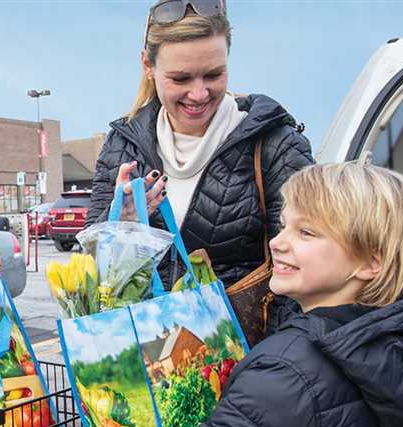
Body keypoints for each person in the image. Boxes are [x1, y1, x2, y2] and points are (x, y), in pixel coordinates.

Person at [80, 158, 403, 427]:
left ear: (371, 262)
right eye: (285, 224)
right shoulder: (389, 340)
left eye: (305, 232)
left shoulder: (290, 370)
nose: (277, 241)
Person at [85, 0, 314, 295]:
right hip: (144, 339)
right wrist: (120, 224)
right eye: (180, 78)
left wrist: (279, 343)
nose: (199, 94)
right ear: (147, 66)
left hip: (247, 338)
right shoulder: (122, 143)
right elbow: (88, 270)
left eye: (213, 75)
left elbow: (308, 275)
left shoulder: (275, 143)